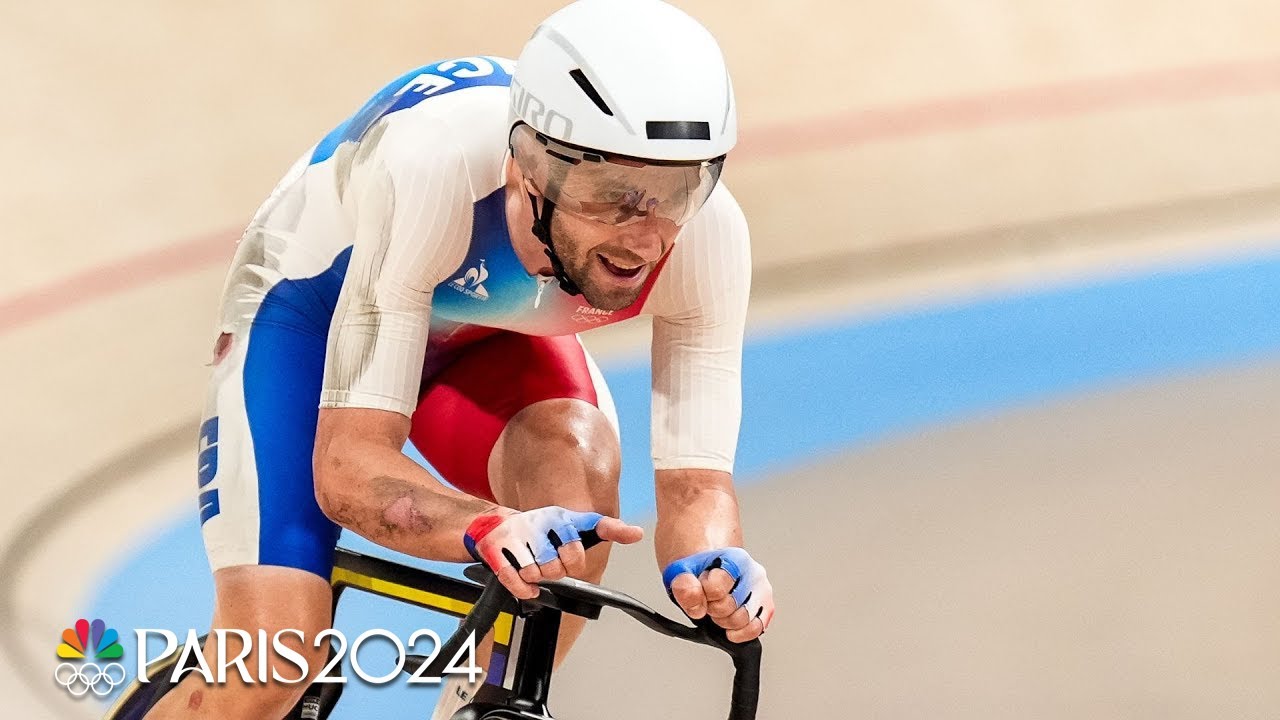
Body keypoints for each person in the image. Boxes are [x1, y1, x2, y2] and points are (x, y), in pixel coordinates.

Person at [159, 1, 775, 717]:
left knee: (572, 516)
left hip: (480, 339)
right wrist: (484, 526)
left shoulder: (710, 236)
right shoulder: (433, 167)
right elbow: (348, 467)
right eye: (612, 197)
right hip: (310, 322)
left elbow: (697, 491)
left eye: (677, 190)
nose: (645, 236)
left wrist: (715, 569)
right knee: (274, 656)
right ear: (530, 170)